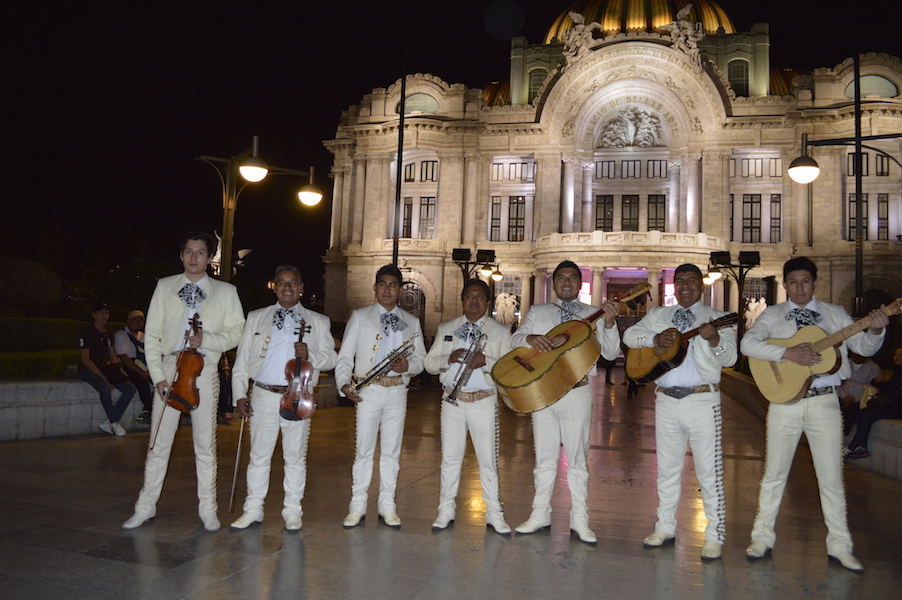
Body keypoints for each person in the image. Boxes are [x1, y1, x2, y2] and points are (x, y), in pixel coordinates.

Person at [741, 256, 888, 572]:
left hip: (824, 403)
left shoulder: (835, 314)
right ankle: (762, 536)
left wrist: (875, 331)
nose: (799, 288)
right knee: (774, 474)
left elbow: (864, 344)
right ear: (785, 284)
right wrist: (787, 352)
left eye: (805, 281)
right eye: (792, 282)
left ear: (815, 283)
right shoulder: (773, 314)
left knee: (831, 478)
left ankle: (840, 545)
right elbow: (748, 344)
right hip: (784, 403)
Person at [122, 231, 245, 532]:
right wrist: (158, 377)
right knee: (158, 444)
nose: (193, 257)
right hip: (169, 368)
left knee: (205, 445)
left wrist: (208, 338)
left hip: (204, 370)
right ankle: (145, 506)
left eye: (200, 252)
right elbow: (151, 335)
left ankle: (208, 509)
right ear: (181, 256)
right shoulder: (165, 286)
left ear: (209, 258)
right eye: (188, 252)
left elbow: (237, 332)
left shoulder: (226, 292)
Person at [623, 264, 737, 561]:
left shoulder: (717, 317)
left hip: (702, 401)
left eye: (692, 281)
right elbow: (630, 336)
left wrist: (713, 339)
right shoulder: (659, 315)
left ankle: (714, 534)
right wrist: (654, 339)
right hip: (666, 401)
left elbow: (731, 358)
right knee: (667, 469)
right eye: (680, 281)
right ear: (673, 286)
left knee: (709, 472)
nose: (685, 286)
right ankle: (664, 525)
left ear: (702, 285)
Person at [511, 260, 620, 544]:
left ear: (581, 283)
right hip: (543, 394)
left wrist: (608, 323)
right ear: (554, 283)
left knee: (577, 459)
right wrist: (531, 338)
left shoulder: (592, 313)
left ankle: (580, 520)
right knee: (544, 458)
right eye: (562, 278)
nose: (567, 283)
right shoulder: (539, 310)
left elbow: (610, 353)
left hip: (577, 392)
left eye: (573, 278)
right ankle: (540, 515)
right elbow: (516, 339)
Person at [230, 265, 337, 531]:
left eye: (293, 282)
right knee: (258, 457)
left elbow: (333, 357)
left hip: (298, 396)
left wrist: (311, 354)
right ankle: (252, 509)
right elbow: (242, 361)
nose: (287, 287)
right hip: (264, 394)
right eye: (282, 282)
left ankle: (292, 511)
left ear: (301, 288)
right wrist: (240, 395)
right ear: (274, 286)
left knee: (295, 457)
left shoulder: (318, 321)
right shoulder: (256, 317)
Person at [336, 264, 427, 528]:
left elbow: (420, 357)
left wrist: (408, 366)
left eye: (393, 285)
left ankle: (388, 504)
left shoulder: (411, 321)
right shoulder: (360, 316)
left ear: (400, 290)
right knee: (363, 450)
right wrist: (344, 384)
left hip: (397, 391)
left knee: (391, 452)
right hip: (369, 392)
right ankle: (357, 504)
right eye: (383, 284)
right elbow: (345, 357)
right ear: (375, 288)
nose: (387, 290)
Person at [425, 279, 512, 535]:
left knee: (488, 460)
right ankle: (445, 509)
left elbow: (508, 369)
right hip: (452, 401)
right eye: (469, 296)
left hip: (483, 401)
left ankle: (494, 513)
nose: (473, 301)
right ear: (462, 301)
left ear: (487, 303)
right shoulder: (447, 328)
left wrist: (485, 361)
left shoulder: (501, 332)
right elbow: (429, 363)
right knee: (450, 458)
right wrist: (446, 359)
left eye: (479, 297)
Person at [78, 302, 137, 436]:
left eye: (106, 313)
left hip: (104, 369)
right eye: (100, 313)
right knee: (105, 390)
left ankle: (109, 422)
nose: (104, 316)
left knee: (130, 389)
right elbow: (85, 360)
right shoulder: (86, 333)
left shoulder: (109, 332)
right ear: (94, 315)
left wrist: (113, 371)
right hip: (88, 370)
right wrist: (104, 378)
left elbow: (113, 354)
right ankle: (114, 422)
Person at [845, 347, 902, 459]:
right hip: (893, 405)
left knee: (866, 415)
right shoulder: (898, 370)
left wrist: (879, 382)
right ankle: (861, 446)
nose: (898, 357)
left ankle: (852, 447)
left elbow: (892, 388)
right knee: (863, 412)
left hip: (897, 408)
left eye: (901, 355)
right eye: (896, 355)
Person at [114, 310, 153, 424]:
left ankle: (153, 408)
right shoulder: (121, 335)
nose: (138, 322)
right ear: (128, 321)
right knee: (141, 382)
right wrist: (141, 372)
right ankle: (148, 409)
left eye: (140, 320)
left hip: (143, 365)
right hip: (128, 366)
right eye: (135, 320)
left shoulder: (144, 337)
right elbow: (124, 358)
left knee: (162, 381)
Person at [837, 351, 881, 436]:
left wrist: (854, 399)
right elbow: (837, 383)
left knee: (850, 412)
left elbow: (872, 390)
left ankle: (842, 435)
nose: (857, 355)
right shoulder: (845, 364)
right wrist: (845, 396)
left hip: (860, 400)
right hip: (842, 396)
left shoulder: (873, 368)